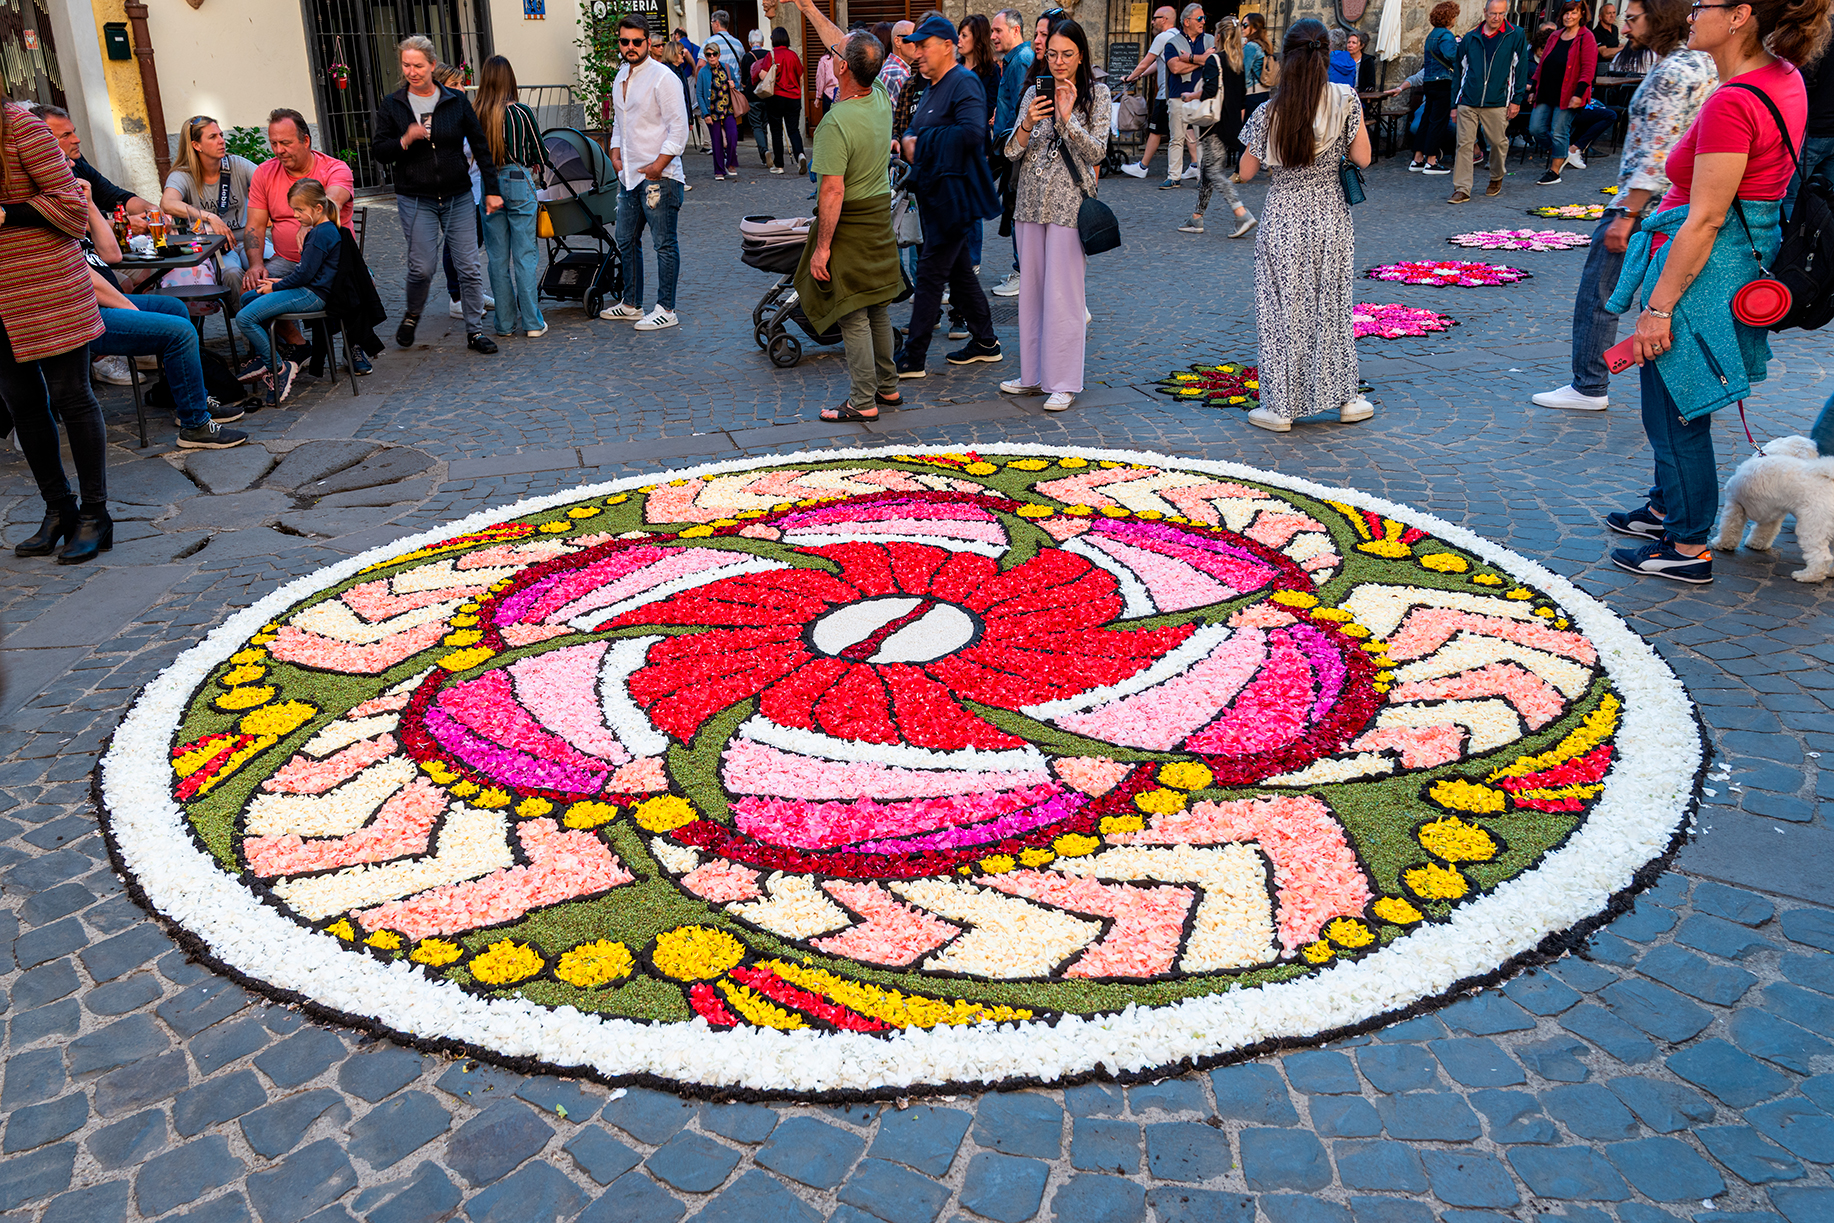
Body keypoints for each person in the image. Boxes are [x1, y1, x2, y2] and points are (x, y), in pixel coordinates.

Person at [1604, 0, 1828, 584]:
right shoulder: (1784, 76)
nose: (1693, 11)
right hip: (1742, 261)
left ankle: (1685, 545)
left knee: (1675, 410)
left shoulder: (1734, 99)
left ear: (1739, 16)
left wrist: (1658, 310)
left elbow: (1704, 219)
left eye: (1704, 4)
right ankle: (1664, 509)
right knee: (1679, 398)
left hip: (1709, 270)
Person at [1535, 0, 1714, 414]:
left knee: (1600, 293)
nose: (1627, 28)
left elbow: (1657, 151)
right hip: (1683, 201)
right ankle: (1696, 388)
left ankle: (1589, 384)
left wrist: (1627, 214)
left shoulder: (1672, 72)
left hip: (1645, 206)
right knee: (1677, 300)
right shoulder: (1703, 64)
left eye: (1632, 19)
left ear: (1658, 18)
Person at [1237, 18, 1374, 433]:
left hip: (1284, 215)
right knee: (1331, 304)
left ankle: (1282, 406)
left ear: (1286, 57)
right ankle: (1346, 397)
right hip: (1330, 213)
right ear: (1325, 56)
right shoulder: (1346, 99)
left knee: (1281, 310)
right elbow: (1364, 158)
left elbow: (1245, 172)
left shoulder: (1269, 109)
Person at [777, 0, 904, 423]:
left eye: (836, 57)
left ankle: (863, 399)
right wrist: (809, 9)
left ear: (843, 70)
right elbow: (846, 46)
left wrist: (821, 249)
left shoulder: (834, 122)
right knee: (879, 305)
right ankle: (887, 388)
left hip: (849, 220)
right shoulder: (881, 95)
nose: (832, 55)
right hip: (879, 216)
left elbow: (831, 192)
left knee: (852, 312)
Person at [1, 104, 113, 563]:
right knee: (21, 403)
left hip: (47, 288)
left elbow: (71, 208)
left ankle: (95, 515)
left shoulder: (21, 126)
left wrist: (8, 212)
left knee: (71, 395)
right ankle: (58, 509)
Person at [1000, 18, 1109, 411]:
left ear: (1081, 56)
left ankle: (1063, 381)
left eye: (1067, 54)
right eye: (1052, 54)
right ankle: (1033, 376)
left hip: (1069, 208)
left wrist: (1067, 118)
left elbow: (1098, 153)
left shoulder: (1099, 96)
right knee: (1030, 295)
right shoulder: (1033, 91)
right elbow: (1012, 152)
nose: (1058, 62)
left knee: (1064, 297)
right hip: (1030, 204)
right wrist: (1028, 122)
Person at [372, 37, 500, 355]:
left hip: (457, 195)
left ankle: (474, 331)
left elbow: (481, 147)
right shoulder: (393, 105)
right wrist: (404, 139)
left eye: (418, 65)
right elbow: (379, 151)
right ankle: (413, 314)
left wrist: (492, 190)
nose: (412, 71)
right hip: (416, 198)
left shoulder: (455, 102)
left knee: (469, 266)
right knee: (422, 268)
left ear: (431, 65)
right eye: (406, 65)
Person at [895, 13, 1003, 377]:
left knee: (928, 275)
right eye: (917, 47)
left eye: (924, 46)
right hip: (934, 194)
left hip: (953, 199)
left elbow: (973, 134)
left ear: (947, 47)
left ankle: (913, 357)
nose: (919, 54)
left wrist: (919, 142)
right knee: (959, 275)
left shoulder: (964, 83)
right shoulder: (933, 85)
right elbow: (918, 127)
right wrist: (905, 140)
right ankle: (986, 341)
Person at [600, 15, 690, 331]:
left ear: (648, 42)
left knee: (664, 243)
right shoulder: (620, 76)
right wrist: (614, 150)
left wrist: (658, 165)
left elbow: (679, 128)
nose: (630, 47)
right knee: (625, 238)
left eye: (637, 41)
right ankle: (631, 304)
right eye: (624, 41)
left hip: (660, 177)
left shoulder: (663, 78)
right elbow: (618, 124)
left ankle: (667, 308)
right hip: (629, 177)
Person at [244, 108, 357, 358]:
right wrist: (255, 264)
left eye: (285, 143)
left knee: (356, 283)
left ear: (306, 140)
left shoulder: (334, 169)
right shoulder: (264, 172)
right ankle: (299, 345)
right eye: (273, 143)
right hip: (287, 260)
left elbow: (333, 201)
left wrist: (309, 223)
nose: (278, 150)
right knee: (252, 289)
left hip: (332, 261)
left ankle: (357, 346)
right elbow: (255, 225)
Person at [233, 178, 342, 403]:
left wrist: (276, 286)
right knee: (248, 298)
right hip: (306, 288)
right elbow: (304, 271)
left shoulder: (321, 233)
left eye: (300, 210)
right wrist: (278, 283)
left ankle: (277, 368)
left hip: (313, 295)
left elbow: (304, 275)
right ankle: (267, 358)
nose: (295, 215)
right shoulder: (319, 230)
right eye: (294, 209)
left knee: (245, 318)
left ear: (318, 208)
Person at [474, 55, 547, 339]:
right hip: (518, 180)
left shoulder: (477, 112)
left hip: (489, 185)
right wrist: (535, 161)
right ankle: (532, 322)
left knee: (496, 257)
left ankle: (504, 324)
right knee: (525, 256)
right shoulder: (521, 112)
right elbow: (540, 153)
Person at [1448, 0, 1534, 203]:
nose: (1497, 18)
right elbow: (1459, 72)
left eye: (1501, 13)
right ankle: (1462, 188)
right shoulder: (1470, 37)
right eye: (1493, 13)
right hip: (1468, 99)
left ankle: (1496, 176)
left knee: (1497, 142)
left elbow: (1519, 69)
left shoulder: (1515, 35)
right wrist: (1454, 104)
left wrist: (1516, 99)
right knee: (1464, 144)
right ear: (1485, 12)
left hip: (1497, 99)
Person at [1180, 18, 1255, 237]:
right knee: (1207, 171)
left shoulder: (1215, 59)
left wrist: (1190, 96)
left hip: (1213, 123)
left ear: (1219, 36)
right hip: (1231, 123)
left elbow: (1210, 90)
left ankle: (1241, 213)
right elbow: (1242, 99)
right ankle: (1196, 218)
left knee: (1213, 171)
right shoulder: (1238, 62)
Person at [161, 115, 259, 275]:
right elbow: (168, 203)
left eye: (221, 135)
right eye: (213, 137)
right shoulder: (183, 175)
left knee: (272, 267)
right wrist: (210, 217)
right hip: (214, 245)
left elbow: (268, 183)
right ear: (196, 145)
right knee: (231, 273)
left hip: (249, 238)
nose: (221, 141)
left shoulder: (237, 164)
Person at [34, 106, 151, 224]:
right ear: (44, 141)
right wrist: (120, 225)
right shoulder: (37, 178)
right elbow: (68, 224)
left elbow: (113, 196)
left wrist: (151, 209)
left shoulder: (78, 163)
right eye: (65, 135)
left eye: (74, 132)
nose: (77, 140)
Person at [1528, 0, 1600, 184]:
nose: (1569, 16)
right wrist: (1534, 88)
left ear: (1582, 15)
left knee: (1559, 131)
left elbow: (1588, 69)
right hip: (1546, 90)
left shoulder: (1586, 37)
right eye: (1566, 13)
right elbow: (1542, 64)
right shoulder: (1555, 36)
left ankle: (1554, 172)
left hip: (1569, 93)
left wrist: (1579, 94)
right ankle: (1560, 152)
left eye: (1574, 13)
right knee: (1535, 128)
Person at [1118, 7, 1177, 177]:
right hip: (1176, 92)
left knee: (1155, 129)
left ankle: (1143, 167)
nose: (1152, 22)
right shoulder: (1177, 36)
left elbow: (1145, 62)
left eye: (1155, 18)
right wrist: (1140, 76)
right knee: (1184, 130)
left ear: (1164, 19)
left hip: (1164, 94)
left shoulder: (1162, 37)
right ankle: (1195, 165)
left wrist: (1130, 77)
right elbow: (1157, 63)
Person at [1157, 4, 1211, 187]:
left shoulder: (1210, 40)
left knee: (1202, 138)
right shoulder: (1172, 43)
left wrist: (1188, 58)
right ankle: (1174, 176)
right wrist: (1201, 60)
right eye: (1199, 19)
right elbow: (1174, 68)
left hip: (1201, 96)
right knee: (1176, 138)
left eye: (1204, 18)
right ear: (1187, 22)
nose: (1203, 22)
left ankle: (1203, 178)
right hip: (1177, 95)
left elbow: (1215, 62)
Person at [1410, 3, 1462, 172]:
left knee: (1426, 119)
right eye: (1454, 15)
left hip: (1430, 82)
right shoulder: (1446, 35)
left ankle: (1417, 159)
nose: (1455, 19)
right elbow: (1451, 55)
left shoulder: (1432, 35)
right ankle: (1431, 161)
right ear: (1449, 17)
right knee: (1437, 122)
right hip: (1443, 82)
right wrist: (1460, 48)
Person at [1785, 50, 1833, 215]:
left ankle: (1793, 239)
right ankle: (1819, 239)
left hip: (1815, 127)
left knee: (1790, 197)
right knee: (1825, 198)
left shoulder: (1825, 30)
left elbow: (1806, 79)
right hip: (1823, 128)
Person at [756, 28, 807, 174]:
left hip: (776, 97)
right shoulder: (793, 56)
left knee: (776, 131)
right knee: (793, 129)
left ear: (774, 39)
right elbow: (800, 77)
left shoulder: (771, 55)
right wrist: (796, 91)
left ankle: (779, 165)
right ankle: (800, 155)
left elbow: (762, 75)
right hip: (794, 97)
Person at [698, 42, 741, 179]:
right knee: (716, 142)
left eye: (714, 54)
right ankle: (719, 170)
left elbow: (737, 84)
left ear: (719, 55)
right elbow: (699, 94)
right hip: (712, 111)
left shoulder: (726, 68)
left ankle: (730, 163)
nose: (711, 57)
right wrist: (705, 113)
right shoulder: (703, 72)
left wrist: (734, 85)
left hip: (728, 109)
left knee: (733, 135)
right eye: (708, 55)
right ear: (705, 56)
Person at [741, 30, 772, 165]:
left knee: (756, 126)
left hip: (752, 95)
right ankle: (765, 157)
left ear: (749, 43)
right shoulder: (768, 55)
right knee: (764, 124)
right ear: (763, 42)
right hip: (766, 94)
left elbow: (743, 78)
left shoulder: (747, 57)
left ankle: (764, 151)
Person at [1242, 13, 1277, 119]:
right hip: (1264, 92)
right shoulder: (1265, 45)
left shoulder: (1251, 46)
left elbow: (1244, 74)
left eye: (1245, 25)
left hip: (1251, 93)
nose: (1242, 28)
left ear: (1255, 28)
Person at [878, 21, 912, 101]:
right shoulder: (897, 74)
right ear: (897, 41)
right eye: (912, 39)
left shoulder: (893, 69)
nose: (917, 44)